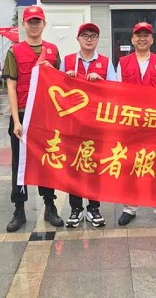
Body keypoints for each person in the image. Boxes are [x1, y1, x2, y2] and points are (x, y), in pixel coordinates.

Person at [2, 5, 65, 232]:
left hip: (45, 114)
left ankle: (50, 206)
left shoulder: (52, 50)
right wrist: (16, 121)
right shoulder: (14, 51)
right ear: (24, 24)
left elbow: (60, 82)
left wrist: (51, 70)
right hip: (22, 114)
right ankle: (19, 210)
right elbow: (11, 86)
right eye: (30, 21)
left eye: (38, 21)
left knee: (47, 161)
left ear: (44, 24)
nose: (34, 25)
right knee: (20, 162)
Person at [116, 22, 156, 227]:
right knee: (130, 165)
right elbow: (117, 92)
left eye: (146, 35)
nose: (142, 39)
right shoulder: (123, 63)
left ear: (152, 40)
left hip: (155, 123)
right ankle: (129, 208)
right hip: (131, 123)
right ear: (132, 40)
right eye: (138, 35)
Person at [59, 22, 117, 228]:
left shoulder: (105, 63)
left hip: (96, 124)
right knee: (74, 166)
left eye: (93, 36)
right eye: (85, 35)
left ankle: (93, 208)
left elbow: (114, 91)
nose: (89, 39)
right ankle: (75, 209)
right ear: (78, 39)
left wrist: (100, 81)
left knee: (94, 165)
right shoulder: (67, 61)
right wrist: (67, 79)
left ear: (98, 40)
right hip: (73, 124)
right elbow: (57, 89)